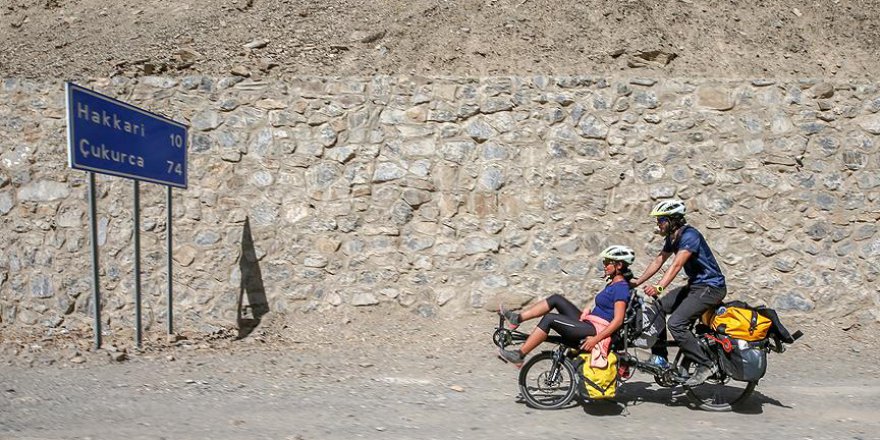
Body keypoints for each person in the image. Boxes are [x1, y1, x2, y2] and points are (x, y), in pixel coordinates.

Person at [631, 199, 727, 386]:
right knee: (656, 308)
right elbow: (659, 260)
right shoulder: (672, 237)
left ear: (673, 220)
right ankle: (660, 358)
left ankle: (707, 365)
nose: (658, 224)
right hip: (696, 287)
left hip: (711, 288)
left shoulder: (690, 236)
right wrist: (637, 281)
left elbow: (676, 264)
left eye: (661, 220)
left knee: (676, 324)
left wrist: (659, 287)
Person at [498, 245, 636, 366]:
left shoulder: (620, 288)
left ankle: (520, 355)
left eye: (607, 262)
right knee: (556, 299)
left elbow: (618, 320)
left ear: (619, 266)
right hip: (591, 322)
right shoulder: (613, 284)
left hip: (596, 330)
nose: (604, 265)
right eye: (604, 262)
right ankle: (517, 318)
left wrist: (595, 340)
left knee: (550, 319)